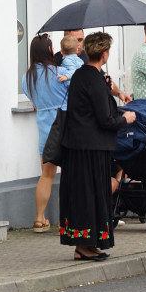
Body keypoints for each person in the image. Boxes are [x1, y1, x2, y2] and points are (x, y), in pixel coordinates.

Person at [58, 32, 135, 262]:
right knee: (90, 196)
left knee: (85, 196)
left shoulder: (83, 75)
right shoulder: (93, 80)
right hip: (90, 149)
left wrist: (107, 86)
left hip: (79, 147)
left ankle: (86, 245)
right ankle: (84, 246)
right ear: (104, 54)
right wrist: (126, 119)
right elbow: (105, 120)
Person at [23, 34, 69, 233]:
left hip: (44, 129)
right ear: (50, 50)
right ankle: (65, 219)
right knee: (68, 175)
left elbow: (31, 98)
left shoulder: (27, 77)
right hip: (65, 126)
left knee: (47, 175)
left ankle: (39, 219)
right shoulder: (60, 72)